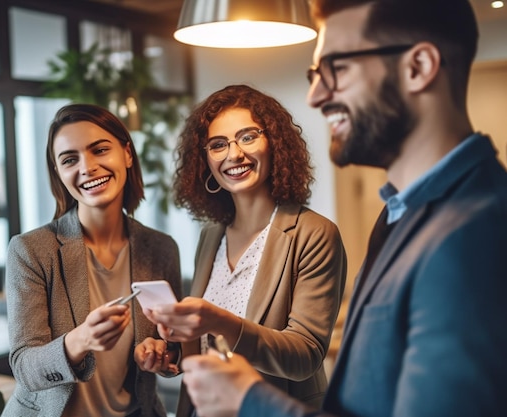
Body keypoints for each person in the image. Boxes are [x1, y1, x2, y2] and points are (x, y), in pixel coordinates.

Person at [179, 0, 507, 416]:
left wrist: (249, 401)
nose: (316, 96)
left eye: (337, 68)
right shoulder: (399, 214)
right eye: (315, 76)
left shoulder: (475, 233)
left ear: (418, 66)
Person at [141, 84, 347, 416]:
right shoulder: (211, 236)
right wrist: (173, 354)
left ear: (275, 144)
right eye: (218, 145)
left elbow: (306, 355)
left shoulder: (314, 234)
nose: (234, 154)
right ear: (205, 160)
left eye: (248, 137)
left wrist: (219, 320)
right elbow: (205, 346)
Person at [2, 103, 182, 417]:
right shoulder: (30, 251)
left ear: (127, 154)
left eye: (99, 150)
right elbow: (24, 368)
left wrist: (160, 354)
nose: (87, 167)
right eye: (70, 159)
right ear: (58, 172)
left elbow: (174, 343)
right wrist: (81, 339)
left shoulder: (161, 248)